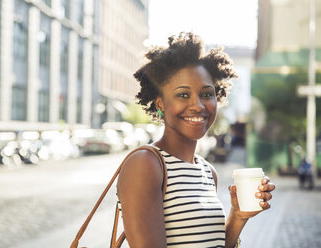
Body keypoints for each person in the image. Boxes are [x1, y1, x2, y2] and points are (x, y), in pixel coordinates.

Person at [116, 32, 275, 248]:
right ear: (160, 103)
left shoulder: (208, 171)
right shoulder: (145, 164)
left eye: (207, 94)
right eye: (183, 95)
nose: (198, 105)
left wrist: (238, 216)